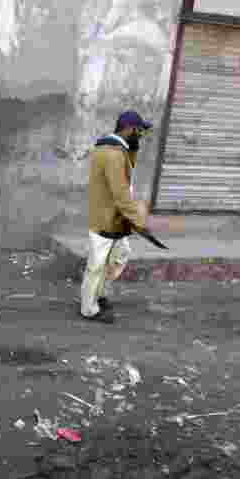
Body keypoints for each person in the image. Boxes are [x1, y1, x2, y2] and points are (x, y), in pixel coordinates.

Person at [80, 110, 152, 323]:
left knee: (119, 256)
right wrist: (138, 221)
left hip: (116, 218)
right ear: (129, 129)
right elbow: (121, 192)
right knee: (97, 264)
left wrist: (135, 148)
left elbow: (126, 176)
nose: (140, 135)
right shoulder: (112, 153)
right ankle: (89, 309)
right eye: (138, 131)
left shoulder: (118, 149)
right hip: (106, 218)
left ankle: (99, 294)